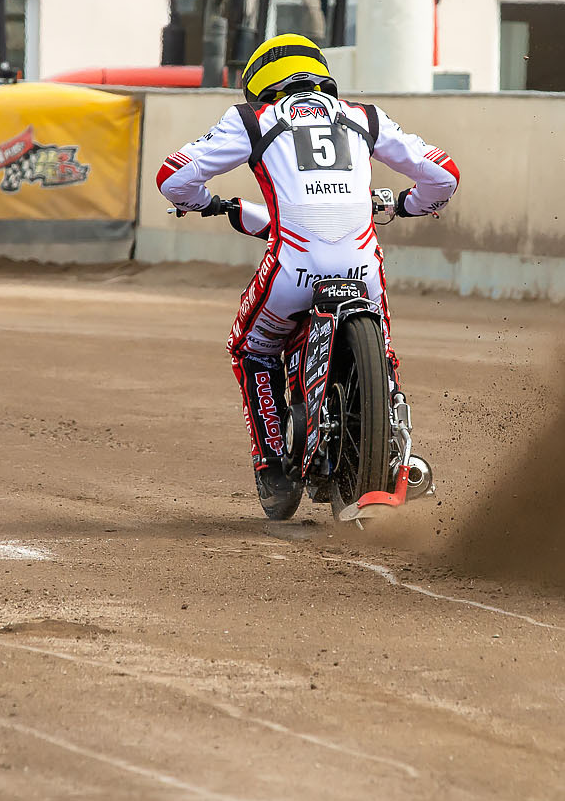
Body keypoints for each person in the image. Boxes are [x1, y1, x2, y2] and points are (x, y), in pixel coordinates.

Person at [154, 33, 460, 515]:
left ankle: (273, 463)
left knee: (251, 347)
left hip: (293, 269)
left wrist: (198, 204)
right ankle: (398, 449)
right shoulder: (364, 117)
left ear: (259, 86)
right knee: (383, 349)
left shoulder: (254, 119)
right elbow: (444, 176)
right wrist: (407, 204)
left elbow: (173, 177)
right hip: (364, 269)